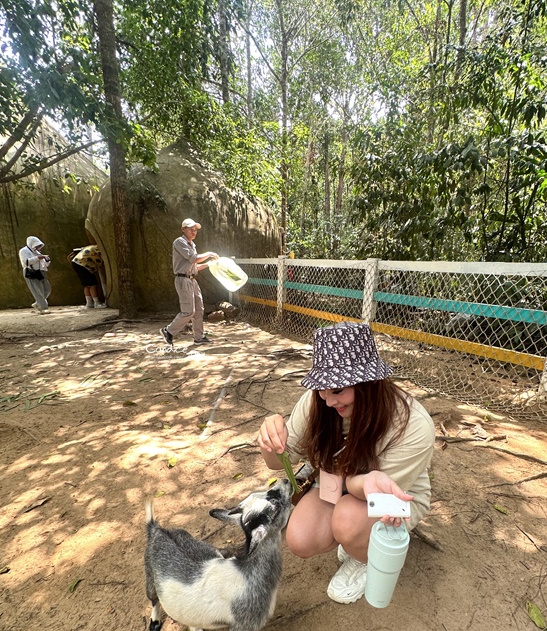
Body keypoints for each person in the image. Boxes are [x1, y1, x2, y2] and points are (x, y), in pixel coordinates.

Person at [257, 321, 435, 604]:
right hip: (339, 478)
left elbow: (378, 491)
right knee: (300, 538)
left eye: (337, 390)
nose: (328, 400)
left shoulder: (413, 425)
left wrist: (355, 482)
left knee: (349, 520)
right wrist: (269, 442)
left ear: (369, 383)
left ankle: (366, 557)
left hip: (393, 493)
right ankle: (356, 541)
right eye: (322, 389)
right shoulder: (319, 400)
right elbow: (279, 461)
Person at [160, 218, 219, 346]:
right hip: (183, 280)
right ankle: (168, 331)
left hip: (192, 280)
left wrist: (209, 264)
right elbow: (193, 259)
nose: (194, 232)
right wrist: (209, 253)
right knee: (188, 311)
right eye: (191, 229)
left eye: (195, 230)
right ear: (183, 229)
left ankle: (199, 337)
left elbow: (194, 267)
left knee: (199, 310)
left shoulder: (192, 245)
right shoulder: (179, 242)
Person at [18, 236, 51, 314]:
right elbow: (25, 262)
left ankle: (38, 303)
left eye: (39, 245)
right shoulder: (24, 251)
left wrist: (47, 261)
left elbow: (43, 264)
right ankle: (43, 308)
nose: (38, 247)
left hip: (40, 272)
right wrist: (37, 258)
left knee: (47, 289)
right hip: (31, 272)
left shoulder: (37, 252)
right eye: (36, 245)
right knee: (37, 290)